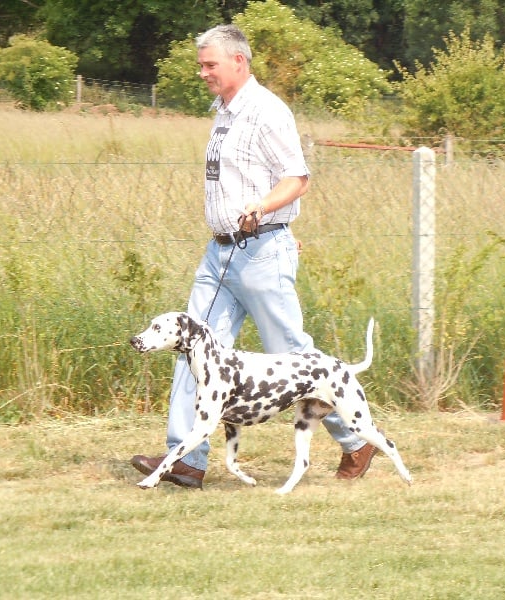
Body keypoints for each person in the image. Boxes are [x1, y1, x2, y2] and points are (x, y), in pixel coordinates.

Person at [131, 24, 378, 489]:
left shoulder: (267, 111)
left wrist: (264, 211)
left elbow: (297, 179)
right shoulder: (223, 111)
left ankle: (357, 439)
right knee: (192, 349)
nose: (202, 73)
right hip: (219, 255)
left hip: (261, 252)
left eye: (210, 65)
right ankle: (186, 459)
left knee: (295, 358)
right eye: (201, 65)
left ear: (238, 62)